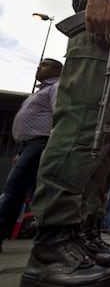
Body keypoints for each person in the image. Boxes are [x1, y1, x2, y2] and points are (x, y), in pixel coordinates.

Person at [20, 0, 110, 286]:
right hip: (108, 17)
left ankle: (76, 235)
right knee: (83, 125)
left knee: (104, 137)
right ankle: (50, 249)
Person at [0, 58, 62, 253]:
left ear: (56, 70)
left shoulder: (56, 87)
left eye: (44, 65)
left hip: (40, 143)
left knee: (13, 188)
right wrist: (20, 151)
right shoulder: (41, 91)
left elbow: (58, 115)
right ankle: (49, 236)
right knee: (34, 192)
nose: (38, 67)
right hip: (28, 146)